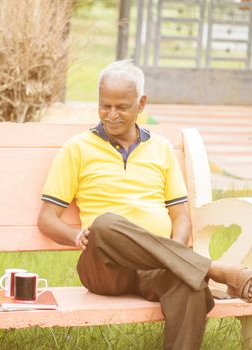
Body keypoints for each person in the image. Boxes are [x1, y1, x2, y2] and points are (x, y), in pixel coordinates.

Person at [37, 59, 252, 350]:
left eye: (121, 107)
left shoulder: (161, 149)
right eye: (104, 106)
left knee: (189, 286)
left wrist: (174, 259)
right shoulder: (77, 148)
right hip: (105, 267)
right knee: (105, 223)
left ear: (141, 104)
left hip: (155, 268)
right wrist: (76, 236)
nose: (111, 116)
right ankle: (220, 271)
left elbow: (181, 217)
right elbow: (47, 219)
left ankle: (193, 270)